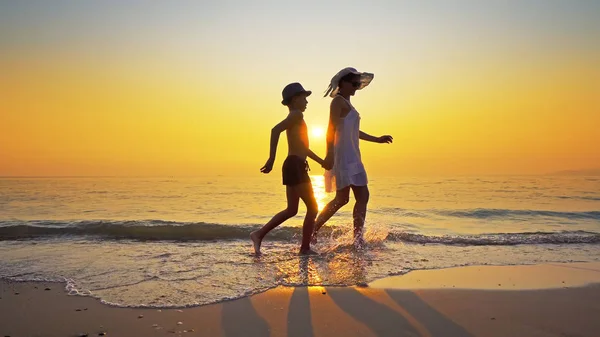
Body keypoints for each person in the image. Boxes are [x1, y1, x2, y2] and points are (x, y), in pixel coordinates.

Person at [311, 67, 393, 247]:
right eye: (353, 83)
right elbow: (330, 129)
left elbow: (354, 131)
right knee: (343, 199)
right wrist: (329, 154)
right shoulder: (338, 102)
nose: (356, 87)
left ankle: (357, 238)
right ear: (342, 84)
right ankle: (314, 229)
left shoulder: (348, 104)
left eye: (358, 83)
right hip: (343, 155)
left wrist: (377, 139)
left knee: (361, 196)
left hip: (353, 154)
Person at [251, 82, 324, 255]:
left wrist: (321, 161)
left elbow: (303, 148)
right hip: (295, 166)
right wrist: (271, 159)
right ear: (295, 99)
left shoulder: (297, 117)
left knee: (292, 209)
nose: (307, 101)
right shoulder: (297, 115)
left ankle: (259, 234)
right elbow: (275, 130)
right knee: (313, 208)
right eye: (304, 98)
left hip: (293, 164)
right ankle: (305, 248)